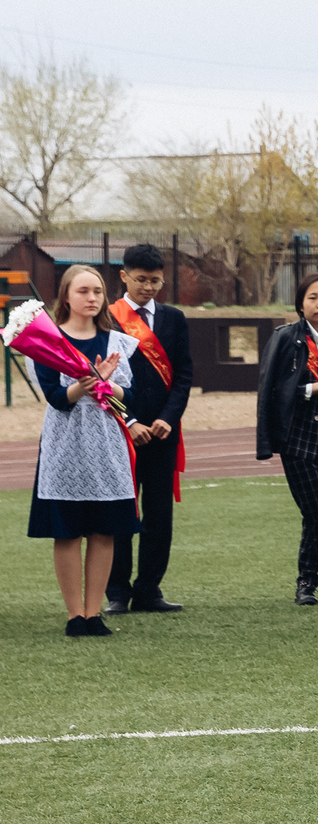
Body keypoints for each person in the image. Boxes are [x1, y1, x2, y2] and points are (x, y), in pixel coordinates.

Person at [26, 264, 145, 636]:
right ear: (65, 296)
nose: (92, 298)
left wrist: (108, 386)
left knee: (104, 531)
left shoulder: (116, 341)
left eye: (97, 291)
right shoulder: (46, 343)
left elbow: (132, 398)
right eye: (83, 291)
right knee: (68, 532)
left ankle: (95, 613)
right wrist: (89, 382)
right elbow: (58, 399)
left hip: (107, 445)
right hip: (65, 446)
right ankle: (74, 614)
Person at [104, 243, 189, 615]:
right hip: (120, 430)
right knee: (121, 510)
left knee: (158, 514)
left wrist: (167, 418)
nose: (149, 287)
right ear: (124, 276)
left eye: (155, 280)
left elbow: (184, 376)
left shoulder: (173, 318)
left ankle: (149, 589)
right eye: (141, 280)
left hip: (163, 431)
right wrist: (132, 420)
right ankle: (117, 593)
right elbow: (100, 378)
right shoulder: (107, 318)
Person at [254, 272, 318, 606]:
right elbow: (272, 390)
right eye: (313, 298)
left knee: (315, 514)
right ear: (300, 304)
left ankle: (306, 582)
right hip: (298, 437)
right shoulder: (285, 338)